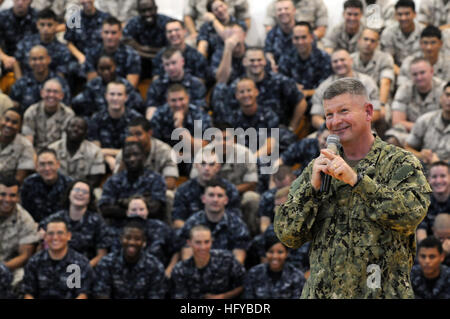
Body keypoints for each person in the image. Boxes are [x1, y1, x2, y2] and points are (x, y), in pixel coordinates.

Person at [274, 77, 432, 298]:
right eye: (329, 114)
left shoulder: (400, 163)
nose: (335, 121)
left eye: (344, 111)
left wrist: (358, 182)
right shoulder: (318, 168)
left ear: (368, 112)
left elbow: (410, 215)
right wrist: (311, 192)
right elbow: (288, 235)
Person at [213, 46, 307, 129]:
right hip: (244, 133)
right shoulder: (236, 86)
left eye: (259, 60)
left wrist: (292, 127)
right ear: (244, 62)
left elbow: (301, 102)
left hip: (276, 131)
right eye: (252, 60)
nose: (256, 63)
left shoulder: (280, 81)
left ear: (265, 62)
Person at [174, 179, 251, 265]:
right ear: (203, 199)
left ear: (226, 200)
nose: (215, 200)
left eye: (219, 196)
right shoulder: (191, 223)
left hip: (226, 274)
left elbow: (238, 262)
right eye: (211, 195)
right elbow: (187, 260)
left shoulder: (237, 225)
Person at [39, 180, 110, 267]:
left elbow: (101, 255)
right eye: (77, 190)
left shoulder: (97, 221)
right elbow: (42, 242)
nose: (80, 194)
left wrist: (84, 269)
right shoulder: (55, 219)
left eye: (85, 192)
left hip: (86, 268)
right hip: (56, 266)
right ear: (69, 194)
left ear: (90, 198)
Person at [92, 218, 168, 299]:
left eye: (137, 239)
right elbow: (102, 295)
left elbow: (156, 296)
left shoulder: (155, 266)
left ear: (144, 242)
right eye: (128, 238)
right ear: (121, 239)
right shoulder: (106, 263)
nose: (132, 242)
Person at [22, 217, 94, 299]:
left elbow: (82, 295)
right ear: (45, 237)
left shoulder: (80, 264)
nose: (55, 238)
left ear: (68, 236)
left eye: (60, 233)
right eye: (51, 233)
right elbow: (29, 294)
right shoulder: (34, 262)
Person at [309, 49, 381, 130]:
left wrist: (352, 126)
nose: (339, 64)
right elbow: (315, 118)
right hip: (332, 132)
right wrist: (329, 128)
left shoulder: (367, 82)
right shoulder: (324, 87)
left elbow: (377, 112)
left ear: (351, 61)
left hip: (362, 130)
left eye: (342, 60)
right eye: (335, 61)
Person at [98, 141, 167, 224]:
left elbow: (156, 208)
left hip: (149, 224)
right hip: (120, 225)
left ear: (143, 157)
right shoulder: (113, 181)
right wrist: (131, 211)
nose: (132, 159)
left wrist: (123, 203)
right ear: (123, 160)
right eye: (127, 156)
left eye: (136, 155)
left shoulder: (156, 179)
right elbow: (105, 209)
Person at [170, 224, 246, 298]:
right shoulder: (180, 270)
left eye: (207, 242)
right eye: (198, 242)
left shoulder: (226, 259)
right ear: (189, 243)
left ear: (212, 242)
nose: (203, 247)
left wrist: (223, 296)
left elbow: (244, 284)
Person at [172, 150, 241, 229]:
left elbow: (236, 220)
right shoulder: (183, 190)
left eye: (211, 164)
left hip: (223, 233)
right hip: (194, 235)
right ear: (196, 165)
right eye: (203, 163)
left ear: (218, 167)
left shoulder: (229, 189)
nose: (207, 168)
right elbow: (178, 221)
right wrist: (199, 235)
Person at [87, 81, 142, 171]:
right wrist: (108, 159)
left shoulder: (136, 120)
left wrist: (106, 152)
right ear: (106, 96)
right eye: (112, 94)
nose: (115, 98)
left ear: (126, 97)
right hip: (102, 161)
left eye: (119, 94)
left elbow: (136, 149)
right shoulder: (96, 118)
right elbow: (95, 150)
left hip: (129, 161)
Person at [390, 58, 445, 145]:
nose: (419, 77)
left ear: (431, 71)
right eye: (415, 74)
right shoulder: (404, 89)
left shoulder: (444, 90)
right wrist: (420, 129)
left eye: (422, 73)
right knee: (392, 140)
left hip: (438, 133)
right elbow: (397, 121)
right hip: (411, 133)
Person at [114, 117, 179, 190]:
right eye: (131, 135)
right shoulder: (123, 153)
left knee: (168, 195)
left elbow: (170, 183)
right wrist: (125, 158)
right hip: (130, 193)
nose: (134, 139)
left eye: (138, 134)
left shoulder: (165, 151)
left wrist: (144, 191)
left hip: (156, 193)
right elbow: (115, 182)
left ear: (149, 133)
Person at [72, 55, 144, 117]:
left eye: (109, 68)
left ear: (115, 67)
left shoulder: (125, 85)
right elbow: (77, 103)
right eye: (102, 69)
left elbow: (139, 105)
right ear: (97, 70)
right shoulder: (93, 85)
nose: (106, 72)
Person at [0, 175, 40, 287]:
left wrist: (4, 267)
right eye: (2, 194)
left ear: (18, 197)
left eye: (12, 195)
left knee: (21, 276)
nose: (7, 199)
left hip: (9, 265)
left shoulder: (25, 219)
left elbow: (25, 255)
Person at [145, 48, 207, 119]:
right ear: (163, 66)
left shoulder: (196, 84)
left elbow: (200, 111)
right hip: (164, 123)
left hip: (190, 122)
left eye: (174, 63)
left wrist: (197, 130)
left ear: (182, 62)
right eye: (167, 64)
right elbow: (151, 109)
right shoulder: (157, 84)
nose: (171, 68)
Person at [278, 21, 332, 101]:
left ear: (311, 38)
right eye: (296, 38)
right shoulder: (285, 58)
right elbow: (282, 83)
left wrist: (306, 92)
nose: (300, 42)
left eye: (304, 37)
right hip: (293, 101)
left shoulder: (324, 58)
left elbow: (328, 88)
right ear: (292, 39)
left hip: (319, 101)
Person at [9, 45, 71, 112]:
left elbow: (67, 108)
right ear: (29, 62)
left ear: (49, 59)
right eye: (34, 59)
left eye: (41, 58)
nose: (38, 62)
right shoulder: (21, 83)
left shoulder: (60, 83)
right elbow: (13, 106)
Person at [243, 233, 305, 299]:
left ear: (287, 253)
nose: (275, 256)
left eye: (280, 252)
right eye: (271, 252)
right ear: (265, 253)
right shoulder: (254, 273)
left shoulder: (296, 275)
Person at [14, 8, 72, 79]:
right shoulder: (26, 43)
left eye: (49, 25)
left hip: (51, 87)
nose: (45, 29)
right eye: (42, 24)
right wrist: (19, 82)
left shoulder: (62, 50)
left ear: (56, 25)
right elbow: (16, 61)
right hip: (26, 84)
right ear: (37, 25)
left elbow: (61, 75)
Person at [85, 16, 141, 87]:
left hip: (122, 94)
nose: (109, 37)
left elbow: (131, 86)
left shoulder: (132, 55)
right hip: (98, 94)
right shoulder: (92, 53)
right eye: (106, 32)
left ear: (120, 34)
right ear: (101, 33)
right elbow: (92, 84)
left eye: (113, 33)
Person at [49, 116, 105, 187]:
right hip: (56, 188)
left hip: (82, 191)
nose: (75, 129)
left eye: (80, 128)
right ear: (66, 129)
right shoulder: (52, 149)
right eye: (72, 126)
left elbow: (94, 181)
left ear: (85, 133)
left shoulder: (95, 152)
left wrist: (76, 191)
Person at [20, 148, 73, 223]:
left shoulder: (69, 185)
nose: (47, 168)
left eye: (50, 163)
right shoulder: (28, 184)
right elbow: (24, 212)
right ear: (36, 167)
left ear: (58, 164)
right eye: (42, 164)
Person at [122, 0, 171, 80]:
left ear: (156, 9)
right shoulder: (132, 24)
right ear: (138, 11)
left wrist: (140, 48)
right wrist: (157, 52)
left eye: (150, 9)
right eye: (143, 11)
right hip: (141, 64)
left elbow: (171, 51)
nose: (147, 14)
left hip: (163, 63)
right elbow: (129, 50)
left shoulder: (167, 23)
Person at [22, 78, 74, 152]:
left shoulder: (68, 114)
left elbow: (64, 143)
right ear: (42, 93)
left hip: (58, 154)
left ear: (61, 95)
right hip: (35, 153)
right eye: (48, 91)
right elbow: (28, 142)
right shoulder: (31, 111)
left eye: (55, 92)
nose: (51, 95)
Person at [405, 82, 450, 165]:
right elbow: (407, 147)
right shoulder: (425, 120)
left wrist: (440, 163)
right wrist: (421, 155)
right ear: (441, 98)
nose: (449, 99)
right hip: (424, 170)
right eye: (447, 95)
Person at [350, 28, 394, 109]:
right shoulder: (350, 59)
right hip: (355, 101)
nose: (368, 43)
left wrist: (381, 105)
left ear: (377, 44)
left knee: (383, 112)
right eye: (365, 39)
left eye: (372, 41)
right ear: (359, 41)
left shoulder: (385, 58)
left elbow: (385, 83)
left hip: (378, 100)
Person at [380, 0, 424, 72]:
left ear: (415, 14)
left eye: (407, 14)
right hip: (396, 71)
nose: (403, 18)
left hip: (420, 71)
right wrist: (401, 74)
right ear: (395, 15)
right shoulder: (388, 32)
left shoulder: (423, 32)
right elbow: (387, 60)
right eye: (400, 14)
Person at [63, 0, 110, 67]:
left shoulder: (106, 18)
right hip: (81, 59)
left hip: (101, 59)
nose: (86, 1)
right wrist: (80, 57)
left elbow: (111, 40)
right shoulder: (74, 18)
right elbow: (69, 42)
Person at [0, 0, 38, 74]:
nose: (20, 2)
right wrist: (4, 57)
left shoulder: (38, 17)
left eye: (24, 0)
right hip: (7, 58)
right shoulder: (2, 16)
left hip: (32, 60)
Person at [0, 107, 35, 184]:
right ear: (0, 120)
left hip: (7, 189)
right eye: (7, 120)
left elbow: (19, 179)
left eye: (14, 122)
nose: (9, 125)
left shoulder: (26, 146)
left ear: (20, 127)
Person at [417, 162, 450, 241]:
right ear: (428, 179)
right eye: (434, 176)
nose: (438, 181)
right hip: (431, 246)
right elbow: (421, 231)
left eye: (443, 176)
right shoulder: (423, 202)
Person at [259, 166, 296, 234]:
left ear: (294, 179)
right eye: (280, 187)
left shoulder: (301, 194)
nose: (283, 190)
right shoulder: (268, 197)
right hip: (276, 231)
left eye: (287, 187)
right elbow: (264, 225)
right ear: (274, 183)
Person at [264, 0, 296, 71]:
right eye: (279, 10)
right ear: (275, 13)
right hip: (279, 74)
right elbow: (268, 52)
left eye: (286, 9)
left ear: (294, 11)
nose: (283, 12)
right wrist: (271, 62)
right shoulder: (271, 34)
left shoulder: (303, 32)